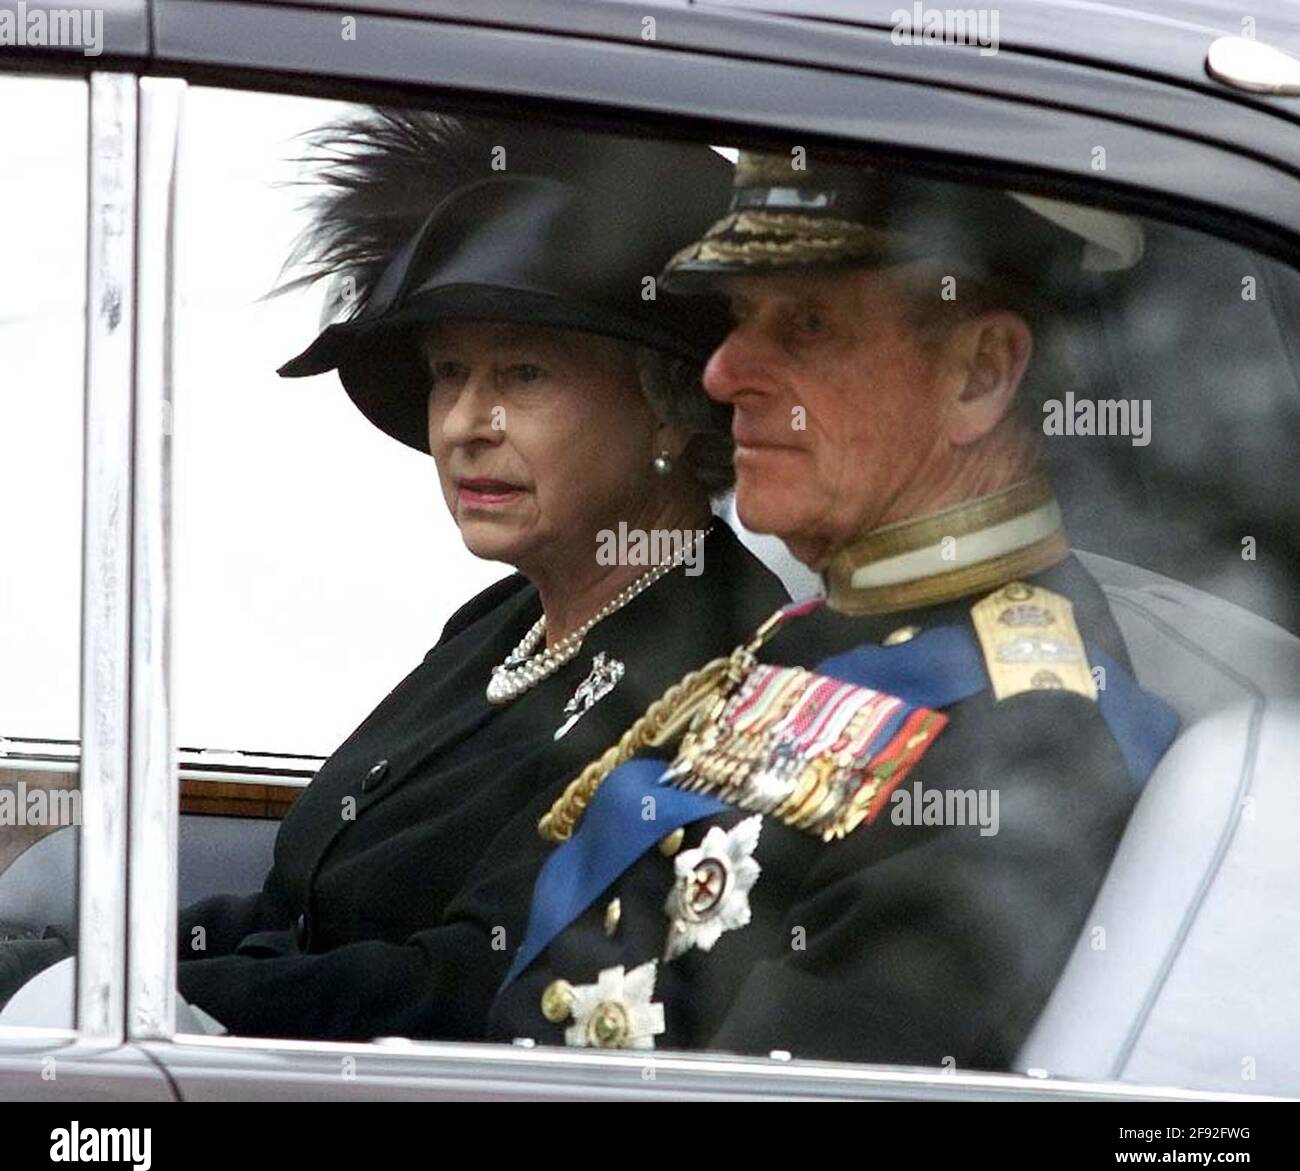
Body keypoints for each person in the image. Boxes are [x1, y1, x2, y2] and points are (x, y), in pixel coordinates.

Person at [0, 115, 787, 1037]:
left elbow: (468, 987)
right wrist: (61, 967)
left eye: (523, 373)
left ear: (673, 408)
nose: (463, 422)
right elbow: (292, 912)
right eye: (449, 372)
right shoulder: (501, 623)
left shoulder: (726, 672)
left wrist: (133, 1005)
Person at [480, 151, 1180, 1068]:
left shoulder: (1030, 743)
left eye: (807, 323)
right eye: (739, 317)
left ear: (980, 373)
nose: (725, 373)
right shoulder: (825, 628)